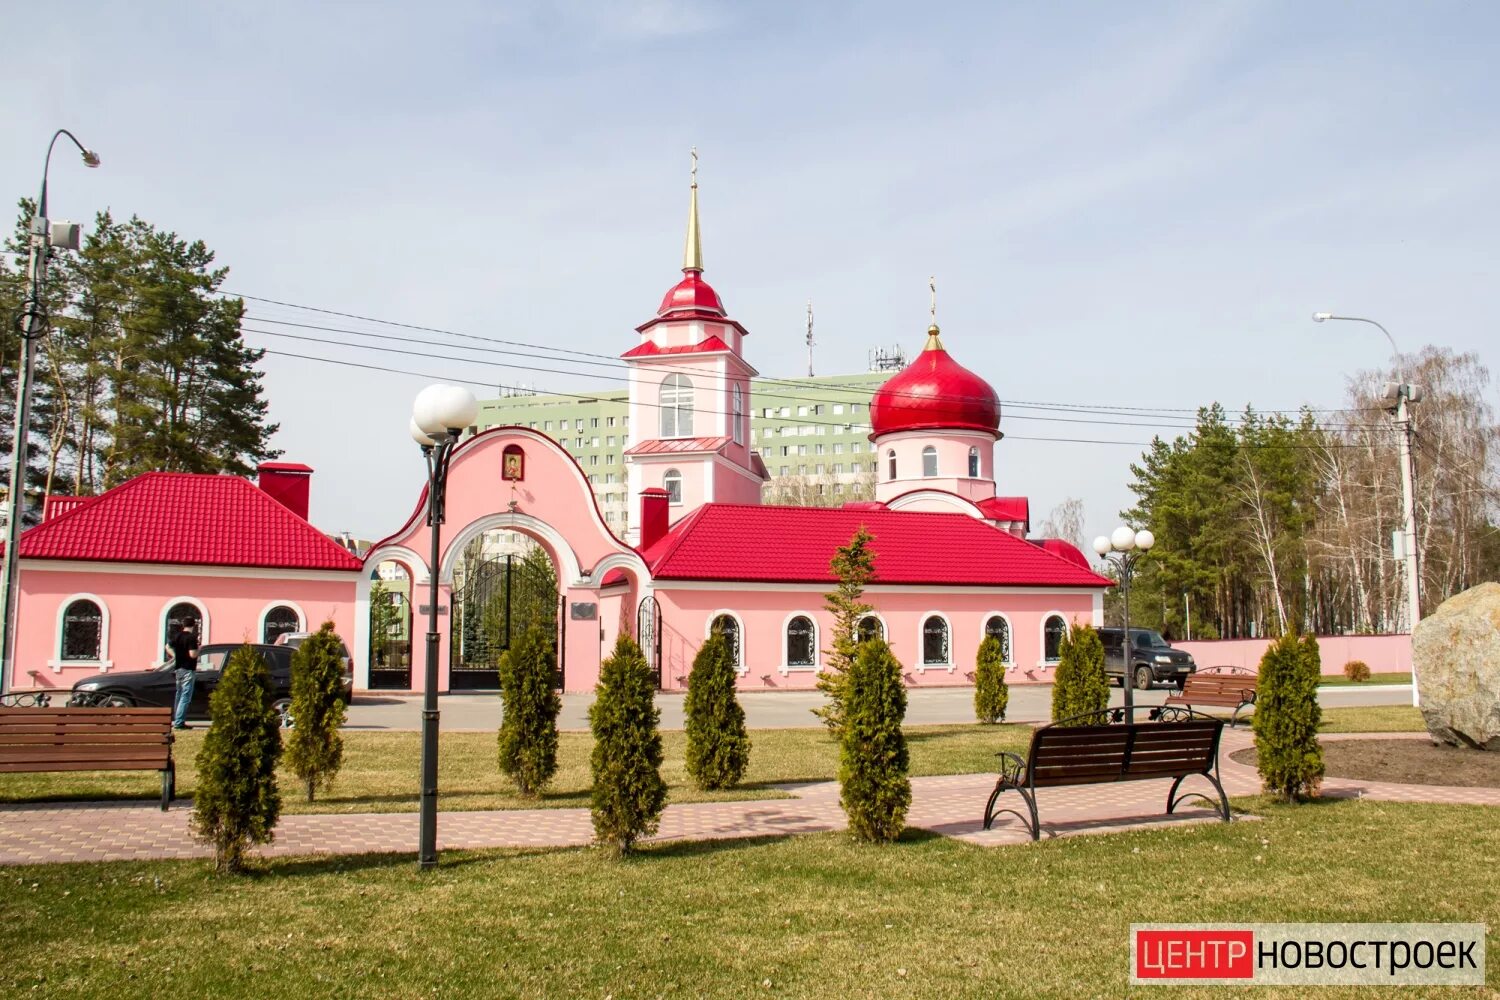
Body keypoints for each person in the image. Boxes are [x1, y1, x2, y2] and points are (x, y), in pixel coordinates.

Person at [166, 622, 200, 730]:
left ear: (183, 625)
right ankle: (179, 722)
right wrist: (199, 649)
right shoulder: (191, 637)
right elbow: (192, 654)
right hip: (188, 669)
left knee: (179, 695)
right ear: (193, 626)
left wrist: (176, 656)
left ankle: (177, 720)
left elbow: (167, 646)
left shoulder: (178, 636)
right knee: (185, 696)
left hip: (178, 669)